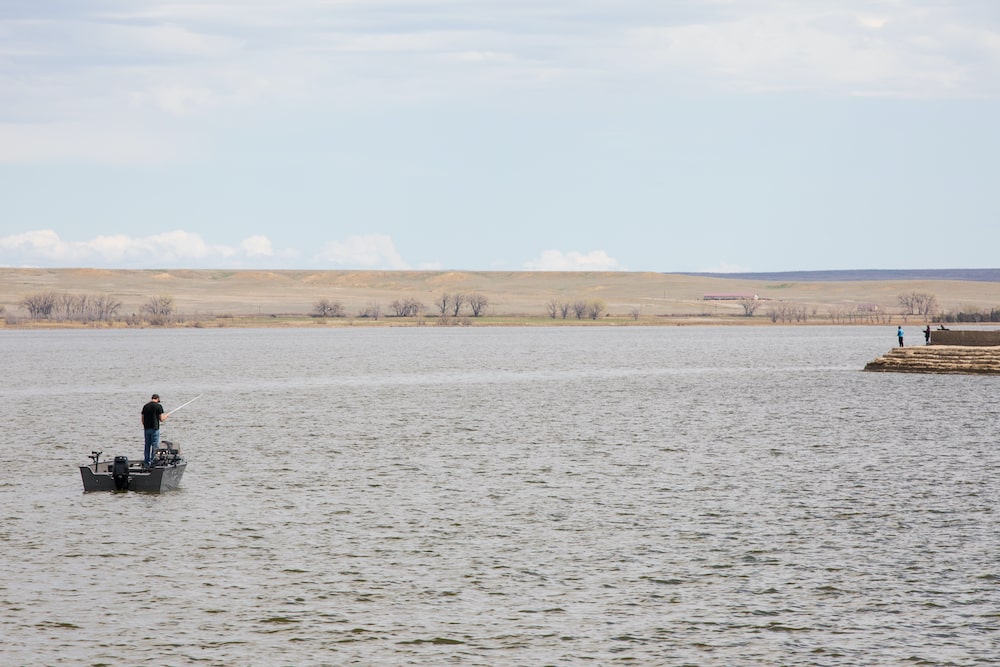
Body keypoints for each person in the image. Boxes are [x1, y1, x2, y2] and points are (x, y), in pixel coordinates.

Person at [141, 393, 168, 467]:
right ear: (157, 399)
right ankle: (153, 462)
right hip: (155, 429)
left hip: (146, 429)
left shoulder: (145, 406)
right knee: (155, 446)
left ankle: (146, 462)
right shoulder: (158, 406)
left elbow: (142, 419)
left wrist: (145, 426)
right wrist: (166, 416)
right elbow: (161, 419)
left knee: (147, 445)